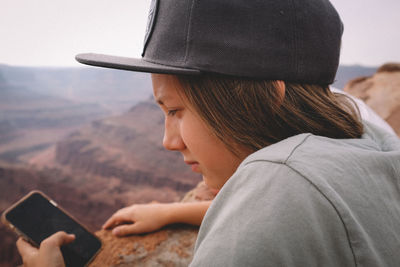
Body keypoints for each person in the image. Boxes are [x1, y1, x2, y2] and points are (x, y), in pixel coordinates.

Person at [17, 0, 400, 266]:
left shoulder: (279, 182)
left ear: (268, 99)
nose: (169, 141)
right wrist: (174, 211)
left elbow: (278, 200)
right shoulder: (365, 131)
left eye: (175, 111)